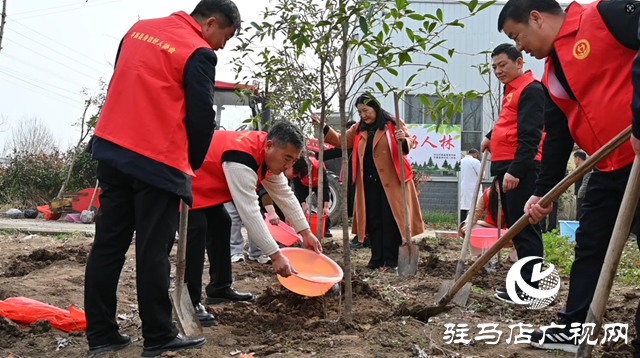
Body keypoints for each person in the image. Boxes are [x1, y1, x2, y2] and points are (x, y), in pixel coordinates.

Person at [83, 1, 241, 356]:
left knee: (108, 246)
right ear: (211, 22)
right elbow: (202, 120)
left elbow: (125, 80)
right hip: (156, 159)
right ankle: (157, 335)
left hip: (111, 148)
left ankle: (101, 335)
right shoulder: (198, 51)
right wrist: (192, 167)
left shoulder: (137, 30)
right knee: (153, 250)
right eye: (225, 37)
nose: (221, 46)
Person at [498, 0, 640, 353]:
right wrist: (543, 192)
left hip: (638, 156)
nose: (519, 48)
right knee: (590, 247)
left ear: (536, 18)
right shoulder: (551, 73)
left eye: (517, 36)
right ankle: (574, 327)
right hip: (607, 167)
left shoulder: (605, 17)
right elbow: (558, 133)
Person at [184, 121, 323, 320]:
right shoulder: (241, 159)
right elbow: (249, 212)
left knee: (222, 223)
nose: (288, 166)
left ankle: (219, 288)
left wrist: (305, 232)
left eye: (293, 161)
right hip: (188, 181)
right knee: (196, 229)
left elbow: (284, 194)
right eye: (287, 158)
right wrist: (275, 255)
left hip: (205, 187)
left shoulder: (266, 155)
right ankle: (190, 300)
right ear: (270, 146)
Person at [314, 94, 424, 272]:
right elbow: (340, 140)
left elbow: (408, 143)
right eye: (360, 112)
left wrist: (403, 138)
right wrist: (324, 127)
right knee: (373, 220)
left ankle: (391, 261)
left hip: (392, 182)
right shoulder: (358, 129)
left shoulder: (392, 124)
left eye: (366, 110)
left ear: (375, 108)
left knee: (390, 220)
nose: (363, 115)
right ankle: (376, 258)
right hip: (368, 183)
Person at [480, 43, 545, 304]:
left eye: (503, 65)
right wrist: (489, 137)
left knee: (525, 229)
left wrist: (516, 170)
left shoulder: (532, 90)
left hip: (521, 169)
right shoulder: (512, 90)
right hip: (507, 165)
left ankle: (530, 289)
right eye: (494, 67)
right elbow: (508, 121)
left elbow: (531, 134)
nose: (498, 71)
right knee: (517, 231)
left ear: (520, 63)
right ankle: (523, 285)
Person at [459, 177, 517, 263]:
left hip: (511, 231)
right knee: (472, 227)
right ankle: (478, 257)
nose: (500, 186)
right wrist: (468, 223)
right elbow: (476, 212)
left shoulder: (518, 195)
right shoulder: (488, 194)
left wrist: (512, 227)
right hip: (491, 228)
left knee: (527, 234)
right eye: (498, 183)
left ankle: (513, 258)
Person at [286, 153, 333, 238]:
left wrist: (326, 206)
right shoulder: (296, 169)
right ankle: (298, 227)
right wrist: (303, 205)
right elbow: (298, 189)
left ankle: (325, 229)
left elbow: (325, 187)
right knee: (297, 202)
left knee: (323, 206)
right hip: (303, 185)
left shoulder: (319, 167)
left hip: (318, 184)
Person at [459, 148, 482, 223]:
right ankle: (471, 223)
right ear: (475, 154)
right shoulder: (475, 162)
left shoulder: (461, 162)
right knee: (474, 206)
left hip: (462, 186)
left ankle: (462, 223)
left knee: (463, 206)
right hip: (473, 186)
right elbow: (482, 174)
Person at [573, 150, 590, 219]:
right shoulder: (578, 168)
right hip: (578, 194)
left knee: (581, 213)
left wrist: (580, 194)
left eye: (574, 158)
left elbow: (585, 182)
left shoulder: (586, 168)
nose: (574, 160)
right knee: (578, 212)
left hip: (583, 195)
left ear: (578, 158)